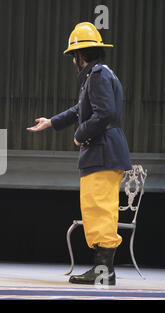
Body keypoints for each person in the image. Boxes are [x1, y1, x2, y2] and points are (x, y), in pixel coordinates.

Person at [27, 22, 132, 285]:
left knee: (101, 209)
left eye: (73, 57)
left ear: (78, 55)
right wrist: (52, 122)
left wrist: (80, 133)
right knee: (96, 210)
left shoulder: (97, 75)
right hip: (102, 151)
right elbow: (79, 109)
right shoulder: (98, 75)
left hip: (103, 150)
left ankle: (103, 271)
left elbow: (104, 113)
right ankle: (102, 269)